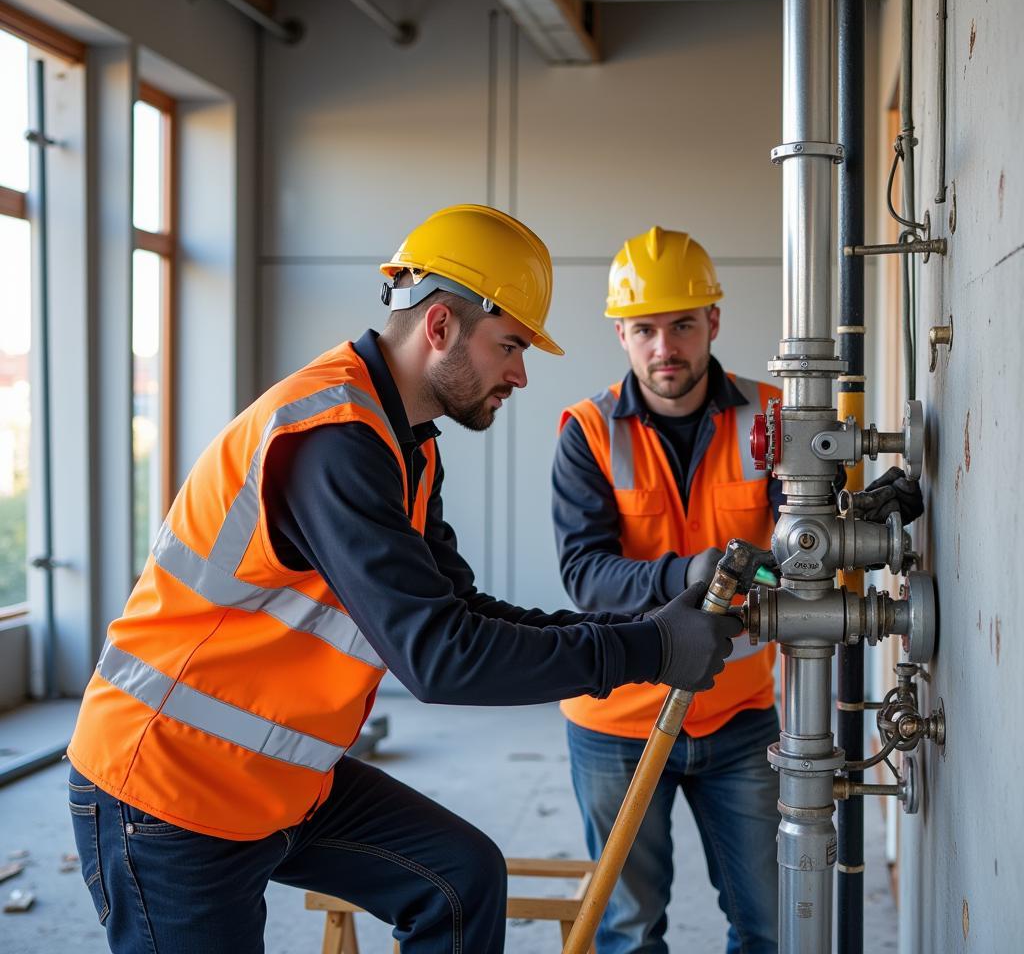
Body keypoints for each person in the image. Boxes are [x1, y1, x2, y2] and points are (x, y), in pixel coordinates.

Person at [65, 206, 742, 954]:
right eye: (511, 346)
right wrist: (645, 653)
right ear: (442, 326)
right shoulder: (332, 437)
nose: (520, 373)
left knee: (458, 879)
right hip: (169, 788)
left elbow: (461, 609)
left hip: (279, 780)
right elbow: (439, 656)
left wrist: (641, 631)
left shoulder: (405, 442)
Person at [552, 227, 784, 954]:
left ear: (713, 320)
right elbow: (587, 574)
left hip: (740, 713)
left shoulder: (773, 418)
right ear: (621, 334)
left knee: (772, 924)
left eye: (682, 323)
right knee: (627, 930)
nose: (665, 347)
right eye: (645, 328)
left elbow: (803, 553)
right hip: (616, 717)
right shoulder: (587, 432)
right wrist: (688, 572)